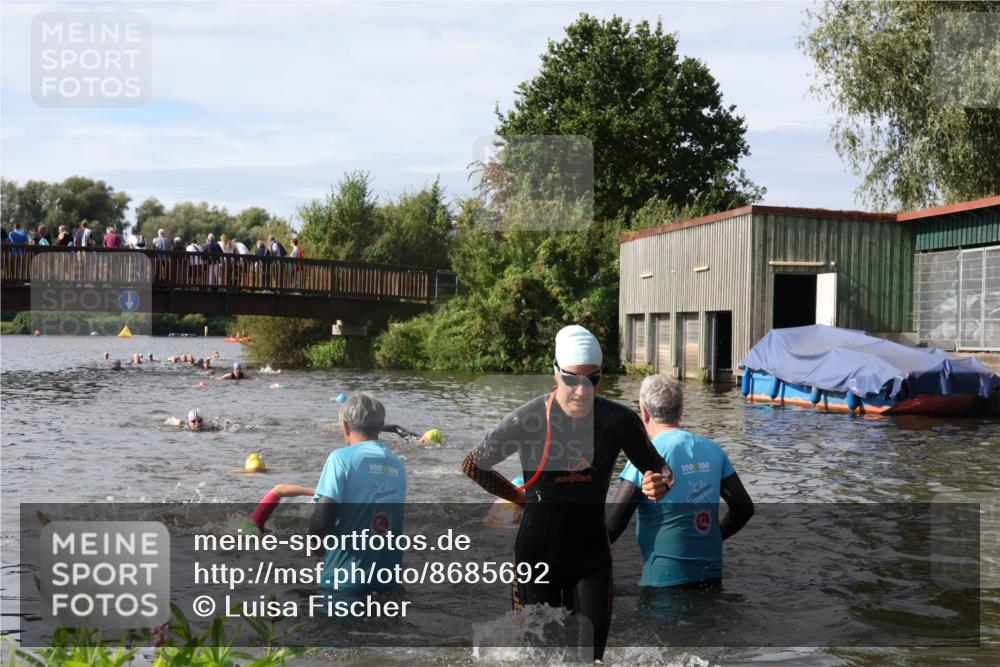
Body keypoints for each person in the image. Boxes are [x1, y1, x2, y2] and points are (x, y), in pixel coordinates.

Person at [461, 325, 673, 661]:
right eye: (572, 379)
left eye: (593, 378)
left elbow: (661, 467)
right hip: (535, 558)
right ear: (555, 373)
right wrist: (518, 498)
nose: (581, 389)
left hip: (591, 558)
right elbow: (473, 465)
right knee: (538, 660)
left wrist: (659, 483)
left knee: (588, 660)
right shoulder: (527, 420)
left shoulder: (618, 420)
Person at [607, 375, 754, 590]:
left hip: (663, 580)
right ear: (681, 410)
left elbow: (611, 528)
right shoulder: (714, 450)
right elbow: (744, 509)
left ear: (644, 412)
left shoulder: (646, 457)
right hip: (712, 577)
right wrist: (713, 537)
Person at [310, 392, 407, 595]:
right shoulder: (397, 465)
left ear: (345, 426)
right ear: (381, 427)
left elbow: (323, 517)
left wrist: (314, 542)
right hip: (388, 580)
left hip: (346, 580)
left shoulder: (340, 459)